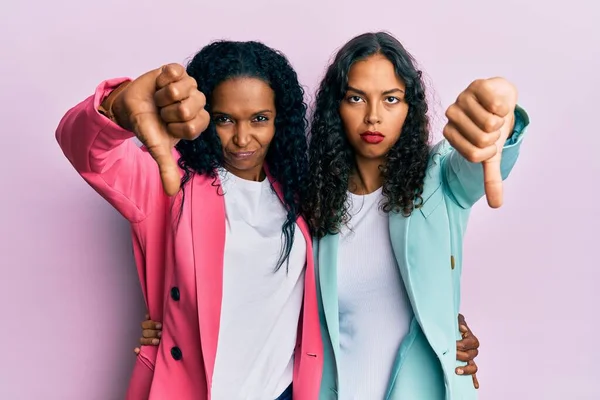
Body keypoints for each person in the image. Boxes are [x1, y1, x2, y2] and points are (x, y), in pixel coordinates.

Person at [55, 41, 323, 400]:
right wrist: (117, 105)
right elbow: (85, 151)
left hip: (282, 392)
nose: (243, 139)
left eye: (259, 119)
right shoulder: (170, 182)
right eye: (225, 119)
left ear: (280, 119)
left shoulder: (295, 192)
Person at [303, 31, 529, 399]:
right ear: (336, 107)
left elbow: (478, 160)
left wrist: (500, 120)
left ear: (410, 108)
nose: (373, 117)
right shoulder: (314, 202)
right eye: (356, 98)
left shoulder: (439, 178)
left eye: (391, 99)